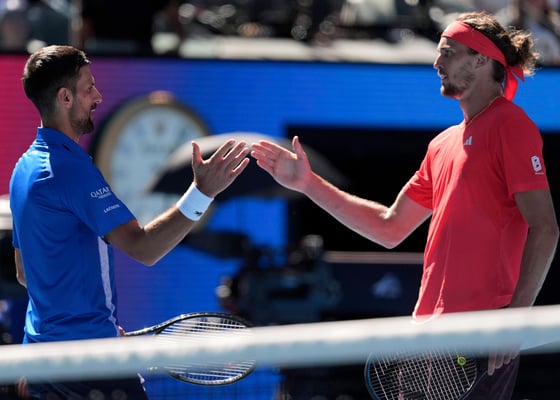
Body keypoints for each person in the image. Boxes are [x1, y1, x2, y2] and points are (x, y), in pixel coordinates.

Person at [251, 11, 559, 399]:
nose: (437, 62)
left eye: (448, 52)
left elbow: (545, 227)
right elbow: (389, 226)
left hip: (480, 332)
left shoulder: (510, 125)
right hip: (425, 334)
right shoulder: (441, 144)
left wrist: (515, 320)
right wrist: (308, 184)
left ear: (481, 60)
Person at [10, 45, 249, 399]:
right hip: (89, 367)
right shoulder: (70, 169)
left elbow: (25, 272)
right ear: (65, 97)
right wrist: (202, 192)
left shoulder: (23, 169)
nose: (98, 96)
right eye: (88, 87)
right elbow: (144, 248)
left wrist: (93, 326)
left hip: (39, 362)